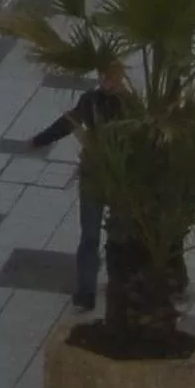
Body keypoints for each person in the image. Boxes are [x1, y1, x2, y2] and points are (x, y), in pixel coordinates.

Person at [26, 66, 127, 312]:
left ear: (120, 77)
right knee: (90, 235)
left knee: (119, 234)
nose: (106, 80)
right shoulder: (90, 100)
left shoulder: (129, 105)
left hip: (120, 176)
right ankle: (86, 291)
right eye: (103, 75)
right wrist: (40, 140)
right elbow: (68, 123)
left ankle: (118, 284)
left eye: (111, 75)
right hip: (94, 172)